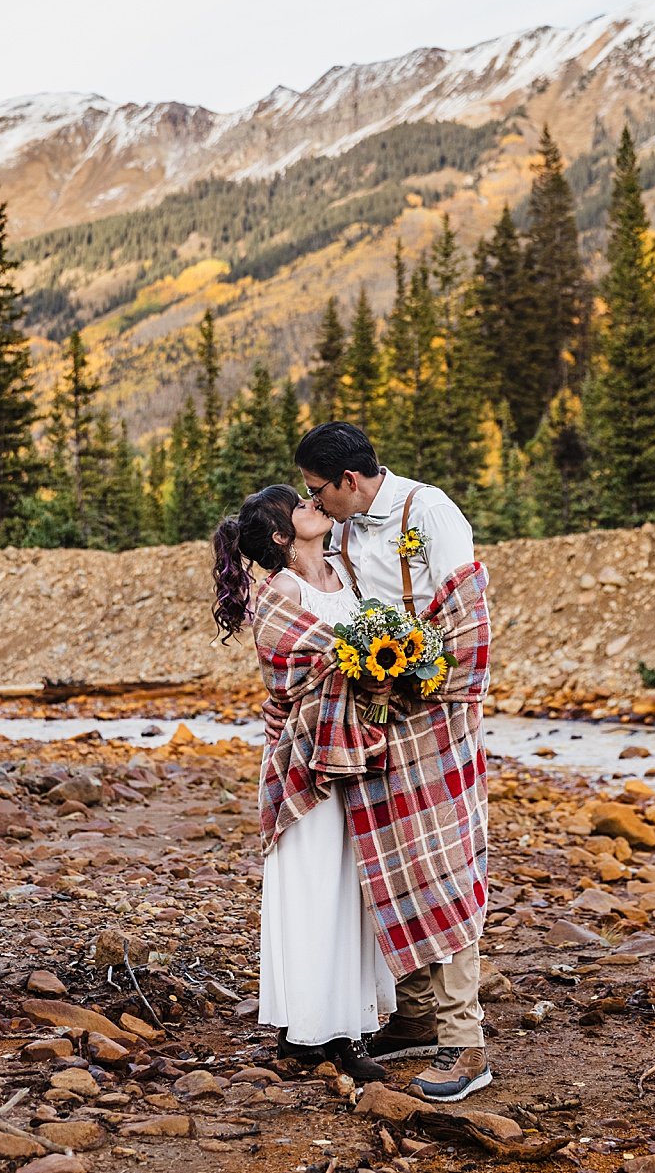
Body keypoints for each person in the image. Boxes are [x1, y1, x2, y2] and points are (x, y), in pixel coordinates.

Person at [294, 421, 494, 1103]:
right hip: (372, 723)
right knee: (384, 862)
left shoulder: (430, 513)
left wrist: (411, 675)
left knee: (444, 867)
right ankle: (411, 1013)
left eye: (319, 491)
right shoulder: (342, 531)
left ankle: (465, 1042)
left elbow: (467, 620)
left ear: (350, 481)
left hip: (437, 719)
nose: (314, 503)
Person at [212, 485, 392, 1082]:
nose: (314, 504)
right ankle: (323, 1030)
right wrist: (353, 665)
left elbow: (369, 647)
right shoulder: (282, 592)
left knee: (353, 882)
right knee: (317, 887)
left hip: (355, 751)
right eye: (300, 505)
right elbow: (285, 672)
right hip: (306, 757)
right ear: (284, 539)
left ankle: (344, 1019)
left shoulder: (346, 571)